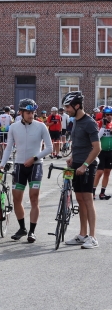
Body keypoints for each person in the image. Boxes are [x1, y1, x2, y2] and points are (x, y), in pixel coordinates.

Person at [0, 99, 52, 243]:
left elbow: (49, 148)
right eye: (28, 112)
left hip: (36, 165)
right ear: (21, 113)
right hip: (19, 165)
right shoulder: (14, 127)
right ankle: (22, 228)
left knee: (34, 198)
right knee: (17, 198)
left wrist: (34, 158)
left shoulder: (41, 126)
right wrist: (2, 164)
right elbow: (8, 147)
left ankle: (32, 231)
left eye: (33, 112)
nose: (31, 115)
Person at [62, 92, 101, 249]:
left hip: (87, 165)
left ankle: (92, 237)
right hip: (76, 164)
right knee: (79, 200)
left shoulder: (89, 122)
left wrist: (85, 164)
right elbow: (78, 143)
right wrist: (72, 157)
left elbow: (98, 148)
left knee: (88, 200)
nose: (66, 109)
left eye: (68, 106)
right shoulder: (75, 121)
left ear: (77, 106)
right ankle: (82, 234)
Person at [93, 106, 112, 200]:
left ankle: (102, 193)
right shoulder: (99, 123)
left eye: (110, 114)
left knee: (107, 172)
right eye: (107, 114)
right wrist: (104, 127)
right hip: (101, 151)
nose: (109, 116)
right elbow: (97, 137)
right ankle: (92, 192)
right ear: (104, 115)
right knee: (99, 172)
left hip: (110, 152)